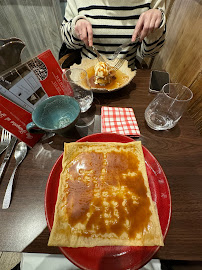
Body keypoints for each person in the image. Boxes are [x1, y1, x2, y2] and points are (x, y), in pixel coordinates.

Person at [60, 0, 166, 70]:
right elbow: (69, 44)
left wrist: (155, 28)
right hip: (87, 78)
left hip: (127, 80)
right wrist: (75, 27)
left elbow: (149, 53)